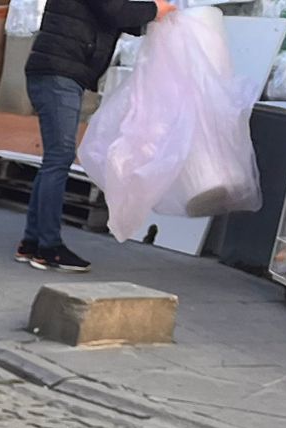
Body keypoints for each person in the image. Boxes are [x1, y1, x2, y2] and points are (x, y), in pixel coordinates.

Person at [21, 0, 173, 271]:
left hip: (60, 71)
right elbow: (115, 11)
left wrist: (157, 18)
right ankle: (49, 248)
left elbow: (117, 16)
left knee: (54, 160)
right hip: (58, 72)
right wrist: (154, 9)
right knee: (59, 158)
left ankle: (32, 242)